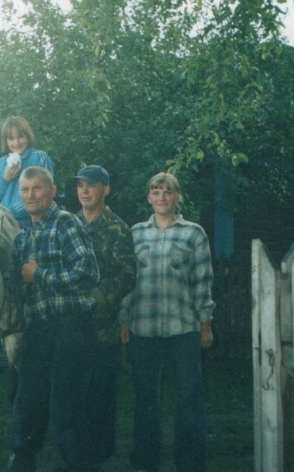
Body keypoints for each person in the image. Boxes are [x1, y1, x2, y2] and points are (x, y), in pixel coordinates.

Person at [119, 172, 215, 472]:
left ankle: (190, 464)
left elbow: (203, 282)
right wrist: (123, 319)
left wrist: (205, 323)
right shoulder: (135, 234)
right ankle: (146, 463)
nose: (162, 197)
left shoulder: (194, 234)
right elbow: (127, 281)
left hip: (183, 329)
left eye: (168, 192)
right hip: (143, 329)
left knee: (189, 401)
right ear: (148, 197)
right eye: (156, 191)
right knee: (146, 400)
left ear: (178, 197)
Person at [8, 166, 100, 472]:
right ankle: (22, 464)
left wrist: (40, 274)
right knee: (27, 404)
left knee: (66, 408)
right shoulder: (24, 236)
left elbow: (87, 273)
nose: (30, 195)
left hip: (72, 326)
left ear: (52, 191)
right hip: (39, 328)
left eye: (37, 189)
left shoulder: (66, 223)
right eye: (25, 190)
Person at [72, 165, 136, 465]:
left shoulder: (117, 228)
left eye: (91, 185)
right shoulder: (68, 225)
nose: (84, 191)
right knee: (74, 397)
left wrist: (95, 299)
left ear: (105, 189)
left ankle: (100, 456)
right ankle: (77, 455)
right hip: (70, 327)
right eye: (80, 185)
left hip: (102, 329)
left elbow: (126, 275)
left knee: (100, 397)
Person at [0, 116, 55, 227]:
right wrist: (5, 179)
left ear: (28, 136)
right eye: (11, 139)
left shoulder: (39, 157)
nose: (16, 142)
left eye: (21, 137)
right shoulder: (0, 164)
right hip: (5, 225)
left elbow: (46, 193)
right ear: (6, 141)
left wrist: (10, 212)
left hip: (34, 222)